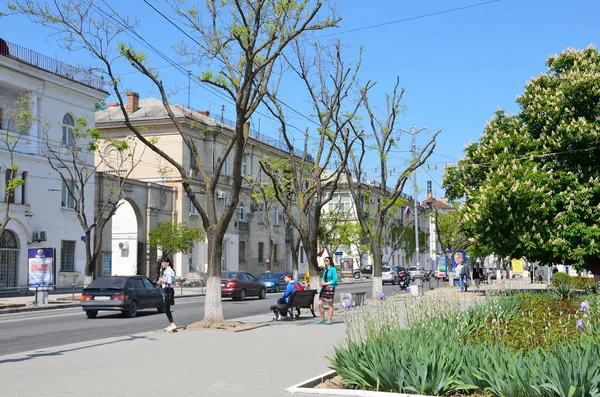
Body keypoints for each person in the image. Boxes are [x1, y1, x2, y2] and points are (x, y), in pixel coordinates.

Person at [157, 257, 177, 332]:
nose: (162, 264)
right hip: (166, 289)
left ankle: (172, 324)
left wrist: (162, 280)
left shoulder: (170, 271)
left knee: (166, 308)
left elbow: (170, 281)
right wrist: (160, 282)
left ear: (167, 263)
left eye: (163, 263)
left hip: (168, 290)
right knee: (166, 308)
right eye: (162, 263)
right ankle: (170, 324)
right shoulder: (166, 271)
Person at [316, 257, 337, 325]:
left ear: (330, 261)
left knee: (330, 304)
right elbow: (323, 278)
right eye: (324, 260)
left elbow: (335, 280)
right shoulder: (325, 270)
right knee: (320, 303)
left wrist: (327, 283)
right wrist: (322, 283)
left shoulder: (333, 269)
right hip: (324, 288)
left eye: (327, 260)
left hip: (330, 288)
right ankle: (322, 318)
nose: (325, 262)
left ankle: (329, 319)